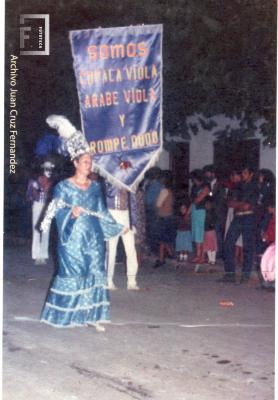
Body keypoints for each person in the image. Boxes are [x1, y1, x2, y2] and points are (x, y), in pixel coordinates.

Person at [40, 115, 126, 330]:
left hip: (94, 238)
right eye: (85, 161)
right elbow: (57, 211)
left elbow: (102, 212)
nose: (89, 165)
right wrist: (72, 214)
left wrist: (117, 227)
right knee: (73, 272)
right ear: (75, 163)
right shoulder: (63, 187)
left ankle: (92, 316)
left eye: (91, 161)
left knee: (95, 272)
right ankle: (64, 316)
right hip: (73, 238)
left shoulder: (96, 187)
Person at [218, 165, 260, 284]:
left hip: (248, 217)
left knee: (247, 247)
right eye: (242, 172)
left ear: (251, 174)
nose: (242, 175)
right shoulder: (239, 185)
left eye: (245, 172)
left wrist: (238, 203)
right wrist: (240, 204)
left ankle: (245, 277)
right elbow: (230, 202)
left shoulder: (254, 187)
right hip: (237, 218)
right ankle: (230, 275)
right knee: (227, 243)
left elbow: (248, 205)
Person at [105, 183, 139, 290]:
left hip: (126, 214)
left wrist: (133, 221)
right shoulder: (110, 179)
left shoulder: (131, 181)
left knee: (131, 250)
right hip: (113, 213)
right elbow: (109, 194)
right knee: (111, 251)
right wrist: (120, 184)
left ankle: (132, 281)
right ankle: (108, 281)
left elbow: (132, 203)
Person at [26, 159, 56, 265]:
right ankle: (36, 256)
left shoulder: (52, 183)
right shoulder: (34, 181)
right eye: (47, 169)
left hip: (47, 207)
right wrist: (33, 194)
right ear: (43, 170)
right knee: (36, 230)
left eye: (51, 169)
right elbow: (28, 196)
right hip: (37, 205)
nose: (49, 171)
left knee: (45, 231)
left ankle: (43, 255)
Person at [153, 170, 175, 268]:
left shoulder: (164, 190)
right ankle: (170, 254)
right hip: (169, 216)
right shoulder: (169, 190)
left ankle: (161, 259)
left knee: (161, 239)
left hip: (163, 216)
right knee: (165, 237)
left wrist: (157, 200)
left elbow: (158, 204)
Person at [203, 164, 226, 258]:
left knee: (217, 233)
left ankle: (218, 253)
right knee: (209, 234)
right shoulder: (207, 185)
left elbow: (221, 200)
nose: (206, 175)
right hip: (209, 213)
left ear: (213, 173)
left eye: (207, 173)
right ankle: (210, 253)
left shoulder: (219, 185)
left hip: (217, 213)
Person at [187, 169, 210, 264]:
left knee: (201, 234)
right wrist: (188, 212)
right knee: (196, 233)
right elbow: (192, 200)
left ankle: (203, 256)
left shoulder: (206, 185)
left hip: (202, 212)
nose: (193, 181)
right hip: (195, 211)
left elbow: (198, 199)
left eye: (194, 179)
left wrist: (193, 200)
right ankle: (197, 255)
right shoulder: (194, 186)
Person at [144, 167, 163, 254]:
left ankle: (155, 250)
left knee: (154, 228)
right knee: (150, 228)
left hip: (153, 207)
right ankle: (151, 248)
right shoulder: (150, 182)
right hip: (148, 206)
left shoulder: (158, 184)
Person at [202, 198, 218, 265]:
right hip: (206, 231)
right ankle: (210, 259)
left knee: (212, 246)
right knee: (207, 246)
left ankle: (213, 260)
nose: (206, 205)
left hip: (211, 231)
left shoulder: (213, 212)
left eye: (208, 204)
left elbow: (215, 220)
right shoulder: (205, 212)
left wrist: (212, 223)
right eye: (206, 204)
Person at [134, 183, 146, 267]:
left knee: (137, 241)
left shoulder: (137, 193)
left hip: (137, 219)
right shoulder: (141, 192)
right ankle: (138, 260)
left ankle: (138, 260)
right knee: (138, 240)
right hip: (139, 218)